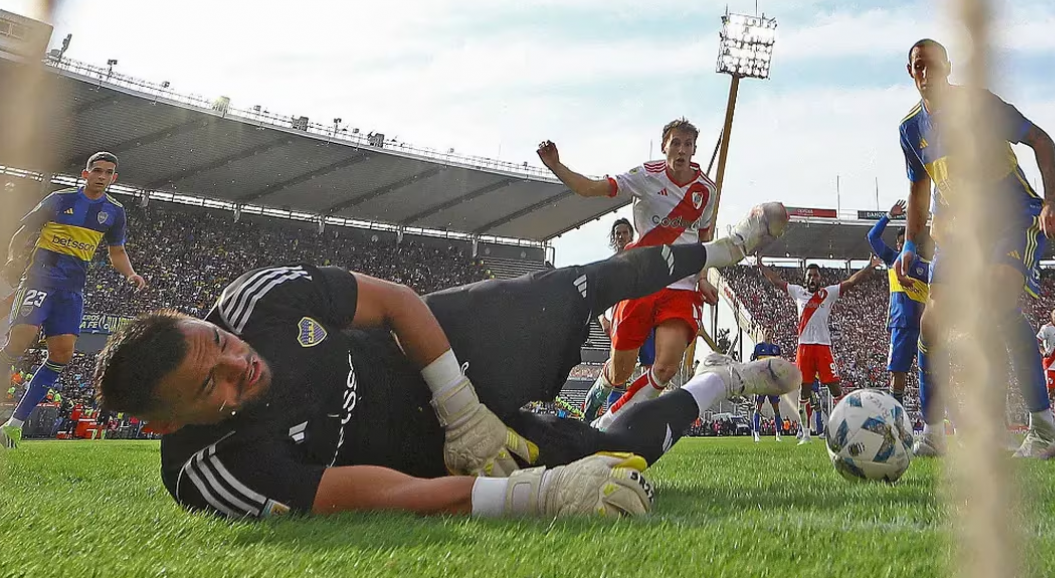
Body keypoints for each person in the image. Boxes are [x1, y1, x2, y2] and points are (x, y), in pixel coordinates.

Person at [94, 204, 797, 519]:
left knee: (575, 283)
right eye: (209, 381)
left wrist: (461, 405)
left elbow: (398, 300)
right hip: (424, 455)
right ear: (163, 425)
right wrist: (533, 494)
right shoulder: (211, 473)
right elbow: (375, 495)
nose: (235, 362)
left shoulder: (252, 301)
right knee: (614, 463)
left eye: (216, 341)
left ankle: (721, 248)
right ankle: (725, 381)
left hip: (431, 349)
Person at [894, 38, 1055, 459]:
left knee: (996, 300)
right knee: (932, 322)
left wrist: (1053, 200)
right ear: (910, 72)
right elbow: (919, 191)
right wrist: (908, 246)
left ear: (948, 66)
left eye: (933, 64)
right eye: (918, 66)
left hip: (1013, 216)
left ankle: (1045, 433)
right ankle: (933, 433)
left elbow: (1041, 140)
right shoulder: (911, 129)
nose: (926, 72)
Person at [536, 119, 720, 431]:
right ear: (664, 146)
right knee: (621, 372)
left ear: (694, 150)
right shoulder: (645, 176)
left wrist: (702, 278)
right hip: (640, 281)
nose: (681, 150)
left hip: (682, 287)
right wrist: (556, 165)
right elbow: (590, 188)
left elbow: (704, 241)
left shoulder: (706, 190)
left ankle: (608, 424)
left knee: (664, 368)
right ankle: (600, 392)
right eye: (675, 143)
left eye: (687, 144)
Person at [1, 151, 146, 448]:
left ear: (114, 178)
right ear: (85, 173)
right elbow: (22, 232)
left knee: (62, 355)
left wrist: (131, 274)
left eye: (108, 172)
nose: (102, 176)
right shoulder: (60, 200)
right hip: (40, 280)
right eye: (97, 170)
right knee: (19, 342)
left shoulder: (114, 212)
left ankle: (13, 425)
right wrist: (14, 258)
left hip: (72, 290)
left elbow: (116, 252)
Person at [759, 257, 881, 444]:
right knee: (804, 390)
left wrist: (868, 267)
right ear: (805, 278)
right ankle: (806, 434)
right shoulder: (797, 292)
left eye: (816, 275)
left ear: (820, 278)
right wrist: (761, 266)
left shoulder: (828, 293)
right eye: (810, 275)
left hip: (823, 347)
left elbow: (851, 282)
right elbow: (776, 281)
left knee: (835, 388)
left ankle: (844, 428)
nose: (813, 278)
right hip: (804, 348)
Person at [866, 200, 939, 456]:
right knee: (898, 374)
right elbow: (872, 238)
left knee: (929, 374)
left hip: (926, 325)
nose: (900, 246)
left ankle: (932, 426)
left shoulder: (927, 267)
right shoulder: (893, 260)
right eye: (898, 243)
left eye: (904, 242)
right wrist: (888, 215)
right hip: (900, 324)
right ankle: (895, 423)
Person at [585, 218, 656, 421]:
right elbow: (600, 296)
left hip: (645, 321)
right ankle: (603, 412)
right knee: (619, 376)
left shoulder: (643, 260)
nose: (621, 236)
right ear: (613, 238)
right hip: (621, 322)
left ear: (631, 235)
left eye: (625, 232)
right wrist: (602, 318)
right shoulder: (610, 266)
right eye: (617, 233)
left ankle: (643, 418)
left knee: (651, 370)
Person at [749, 340, 786, 442]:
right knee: (758, 407)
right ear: (764, 333)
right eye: (767, 331)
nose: (768, 333)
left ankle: (778, 434)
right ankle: (756, 433)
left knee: (776, 409)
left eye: (770, 331)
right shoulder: (758, 347)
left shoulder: (776, 348)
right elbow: (752, 363)